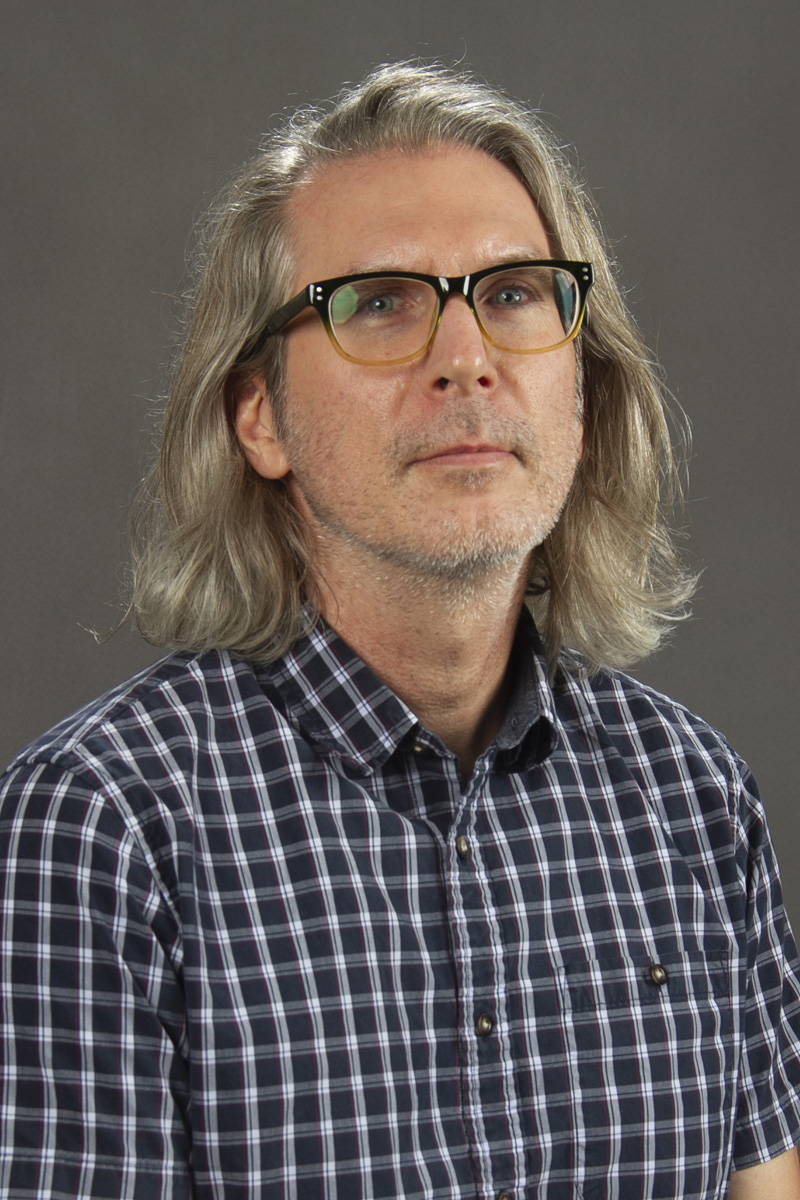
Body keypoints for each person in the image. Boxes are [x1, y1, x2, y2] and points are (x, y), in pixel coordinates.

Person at [0, 61, 798, 1200]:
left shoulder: (693, 802)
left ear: (581, 381)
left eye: (515, 293)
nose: (465, 358)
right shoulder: (106, 832)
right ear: (258, 417)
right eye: (380, 303)